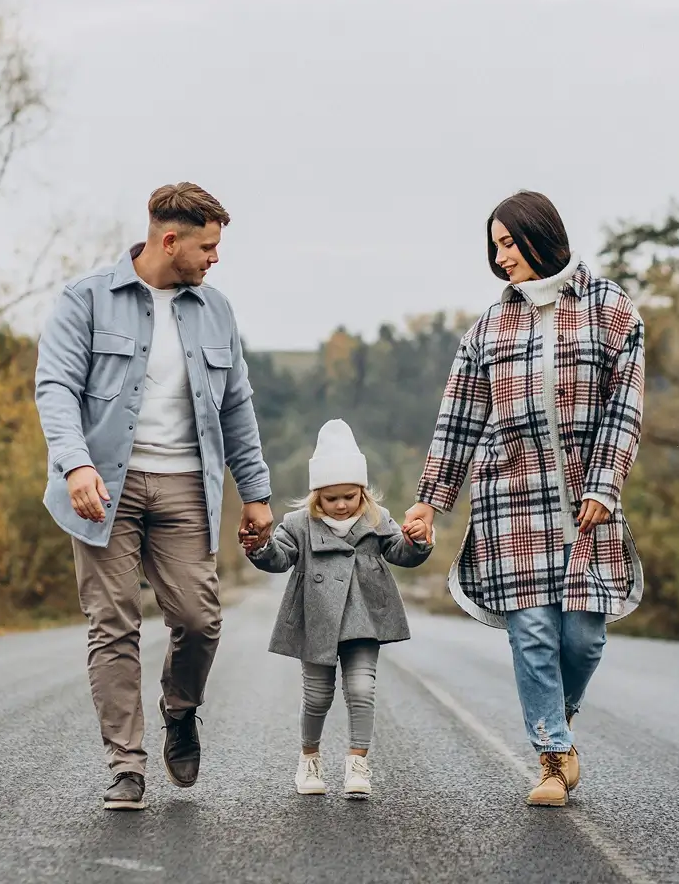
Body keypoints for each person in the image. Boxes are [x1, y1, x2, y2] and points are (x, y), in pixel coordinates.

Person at [35, 181, 273, 811]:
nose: (215, 258)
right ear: (171, 240)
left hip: (187, 486)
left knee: (199, 620)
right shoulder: (85, 300)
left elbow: (237, 407)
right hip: (101, 489)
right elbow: (55, 387)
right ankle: (126, 766)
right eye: (208, 246)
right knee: (113, 625)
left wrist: (256, 493)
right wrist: (75, 464)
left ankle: (180, 708)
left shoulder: (215, 309)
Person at [404, 190, 644, 807]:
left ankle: (554, 725)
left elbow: (625, 409)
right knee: (532, 631)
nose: (500, 256)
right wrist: (431, 499)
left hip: (589, 502)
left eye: (508, 243)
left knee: (582, 638)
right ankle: (551, 754)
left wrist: (604, 484)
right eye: (495, 247)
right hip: (510, 498)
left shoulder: (612, 309)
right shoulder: (490, 326)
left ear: (541, 234)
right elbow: (457, 418)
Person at [241, 419, 432, 798]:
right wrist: (259, 546)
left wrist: (418, 542)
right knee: (317, 696)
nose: (342, 505)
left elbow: (400, 553)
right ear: (316, 496)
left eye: (350, 496)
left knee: (361, 689)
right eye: (332, 498)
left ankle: (357, 765)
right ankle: (309, 759)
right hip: (317, 620)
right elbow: (279, 558)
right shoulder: (298, 524)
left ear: (363, 492)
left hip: (366, 620)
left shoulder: (377, 520)